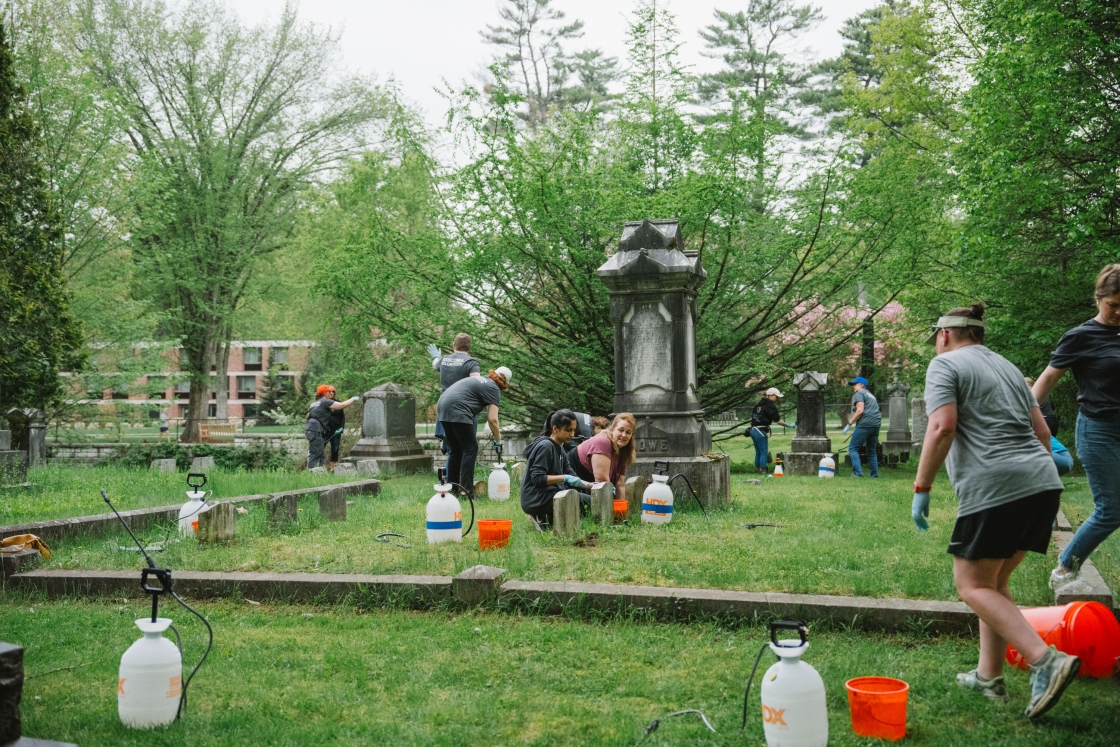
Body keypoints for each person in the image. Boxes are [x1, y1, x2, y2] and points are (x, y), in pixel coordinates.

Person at [913, 304, 1077, 719]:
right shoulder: (1007, 366)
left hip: (996, 486)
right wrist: (1038, 485)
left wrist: (922, 487)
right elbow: (1043, 433)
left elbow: (942, 426)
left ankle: (1046, 660)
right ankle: (989, 677)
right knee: (996, 582)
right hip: (1043, 482)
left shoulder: (945, 365)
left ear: (944, 335)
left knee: (972, 586)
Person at [1031, 264, 1120, 589]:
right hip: (1099, 429)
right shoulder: (1082, 335)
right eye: (1113, 304)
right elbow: (1045, 382)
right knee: (1112, 508)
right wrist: (1019, 423)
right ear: (1099, 299)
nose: (1118, 312)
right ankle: (1065, 570)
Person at [437, 366, 510, 498]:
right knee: (470, 448)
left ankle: (453, 488)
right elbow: (493, 419)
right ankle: (466, 491)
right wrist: (498, 440)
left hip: (443, 406)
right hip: (458, 409)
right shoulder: (493, 388)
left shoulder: (480, 379)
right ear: (504, 382)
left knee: (455, 449)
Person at [521, 409, 592, 527]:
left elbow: (571, 474)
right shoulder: (546, 446)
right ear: (555, 429)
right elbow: (537, 478)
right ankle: (539, 515)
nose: (572, 434)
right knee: (589, 503)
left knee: (586, 504)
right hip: (537, 498)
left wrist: (592, 486)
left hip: (551, 493)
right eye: (568, 430)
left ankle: (548, 519)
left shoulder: (560, 447)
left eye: (574, 430)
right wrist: (564, 478)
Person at [428, 334, 481, 452]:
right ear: (469, 347)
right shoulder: (471, 363)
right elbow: (477, 383)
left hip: (444, 407)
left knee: (453, 450)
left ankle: (450, 469)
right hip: (464, 410)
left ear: (454, 345)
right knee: (466, 448)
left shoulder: (444, 360)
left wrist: (436, 356)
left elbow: (435, 364)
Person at [573, 413, 636, 502]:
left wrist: (621, 511)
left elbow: (620, 485)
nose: (624, 435)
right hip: (572, 488)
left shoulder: (623, 451)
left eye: (628, 432)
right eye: (620, 430)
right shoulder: (603, 442)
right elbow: (602, 482)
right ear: (612, 429)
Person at [306, 385, 359, 469]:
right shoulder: (325, 401)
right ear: (324, 393)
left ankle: (320, 472)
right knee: (316, 452)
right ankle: (312, 471)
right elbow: (342, 405)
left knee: (320, 452)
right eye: (328, 391)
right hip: (315, 429)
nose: (331, 393)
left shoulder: (315, 402)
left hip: (311, 428)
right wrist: (352, 399)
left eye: (332, 391)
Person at [844, 376, 881, 478]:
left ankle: (858, 473)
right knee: (872, 451)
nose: (853, 387)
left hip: (865, 424)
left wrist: (849, 424)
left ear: (862, 385)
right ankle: (874, 475)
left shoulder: (859, 394)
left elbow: (860, 410)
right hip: (876, 424)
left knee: (853, 448)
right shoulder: (871, 395)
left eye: (855, 384)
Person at [747, 387, 790, 474]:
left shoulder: (758, 405)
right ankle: (763, 470)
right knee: (764, 452)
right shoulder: (770, 406)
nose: (777, 399)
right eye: (776, 396)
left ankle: (757, 469)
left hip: (753, 430)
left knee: (758, 452)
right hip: (760, 431)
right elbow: (778, 421)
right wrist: (788, 425)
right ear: (771, 395)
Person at [327, 405, 345, 471]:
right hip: (325, 429)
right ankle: (319, 466)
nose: (331, 393)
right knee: (321, 447)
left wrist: (341, 427)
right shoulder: (324, 402)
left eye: (333, 393)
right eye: (329, 393)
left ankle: (333, 468)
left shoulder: (338, 403)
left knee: (335, 448)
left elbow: (342, 417)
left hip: (336, 430)